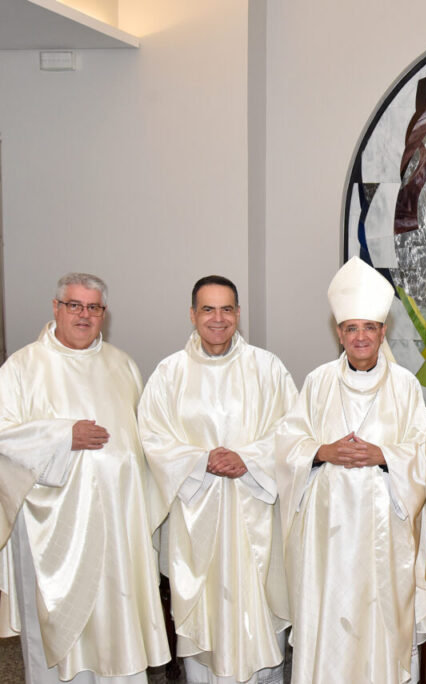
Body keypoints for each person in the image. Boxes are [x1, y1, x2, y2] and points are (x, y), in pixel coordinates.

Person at [0, 272, 169, 683]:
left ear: (104, 314)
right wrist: (62, 435)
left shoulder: (123, 365)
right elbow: (3, 437)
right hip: (51, 538)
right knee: (59, 649)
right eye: (74, 305)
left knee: (118, 634)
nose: (84, 315)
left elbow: (146, 440)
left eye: (93, 307)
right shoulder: (22, 367)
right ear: (56, 308)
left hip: (117, 532)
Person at [276, 256, 426, 683]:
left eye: (369, 327)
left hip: (385, 533)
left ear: (383, 332)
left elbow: (424, 451)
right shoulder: (318, 381)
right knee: (329, 619)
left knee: (380, 622)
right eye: (351, 328)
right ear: (339, 333)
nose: (360, 336)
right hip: (326, 537)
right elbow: (287, 445)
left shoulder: (405, 387)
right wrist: (322, 450)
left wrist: (384, 456)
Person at [137, 275, 295, 684]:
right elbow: (152, 438)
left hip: (257, 517)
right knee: (204, 627)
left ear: (238, 314)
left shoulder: (268, 368)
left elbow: (293, 433)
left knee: (259, 616)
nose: (218, 318)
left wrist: (248, 459)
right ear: (192, 315)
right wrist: (201, 460)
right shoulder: (169, 374)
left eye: (226, 309)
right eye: (208, 309)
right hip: (195, 524)